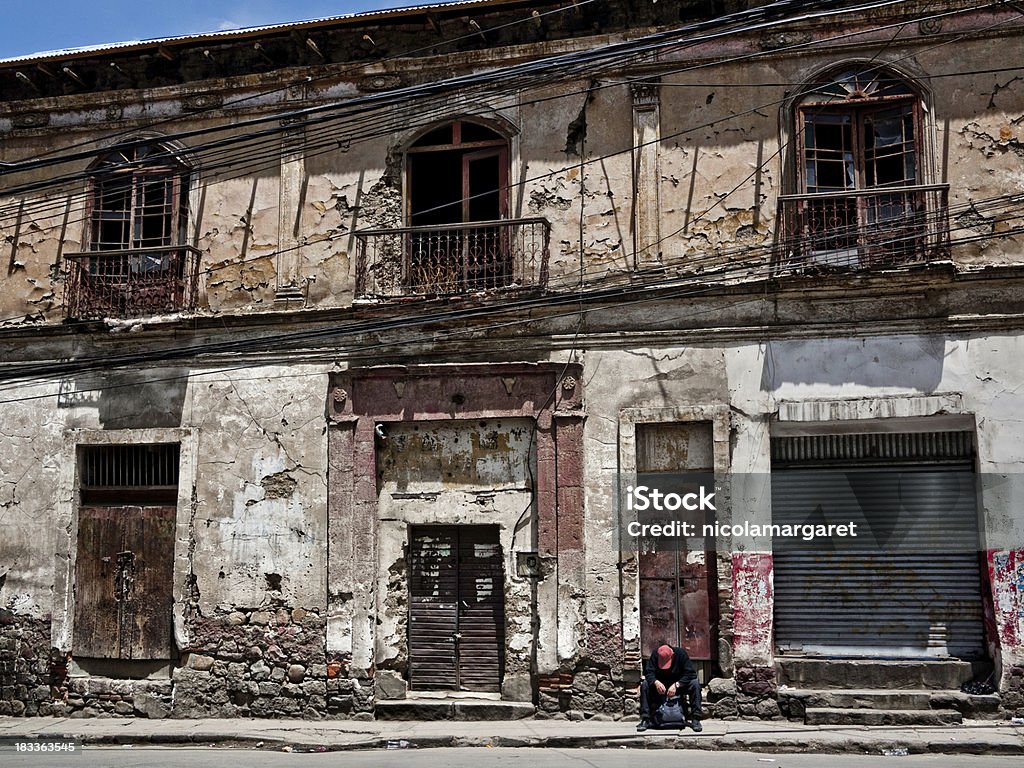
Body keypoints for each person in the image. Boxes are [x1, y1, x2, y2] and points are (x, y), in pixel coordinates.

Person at [637, 643, 702, 732]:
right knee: (645, 685)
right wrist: (655, 682)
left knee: (695, 684)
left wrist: (677, 684)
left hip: (678, 685)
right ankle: (645, 719)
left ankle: (696, 718)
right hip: (660, 686)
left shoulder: (681, 654)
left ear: (672, 654)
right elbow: (648, 673)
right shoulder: (655, 654)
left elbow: (691, 674)